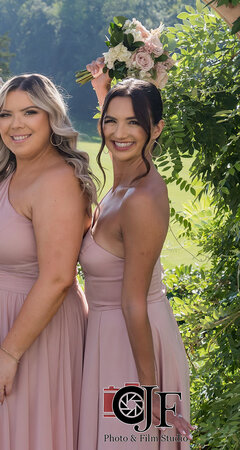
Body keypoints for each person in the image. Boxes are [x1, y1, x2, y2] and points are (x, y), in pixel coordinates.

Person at [0, 74, 97, 449]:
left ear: (51, 117)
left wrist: (8, 354)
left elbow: (58, 278)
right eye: (6, 114)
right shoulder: (7, 173)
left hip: (31, 332)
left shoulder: (58, 180)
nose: (16, 124)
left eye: (29, 112)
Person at [78, 62, 193, 448]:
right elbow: (119, 142)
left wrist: (149, 390)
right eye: (111, 121)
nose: (119, 133)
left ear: (156, 128)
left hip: (134, 342)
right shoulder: (123, 179)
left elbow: (132, 302)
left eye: (134, 123)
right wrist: (102, 89)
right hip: (107, 336)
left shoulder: (142, 199)